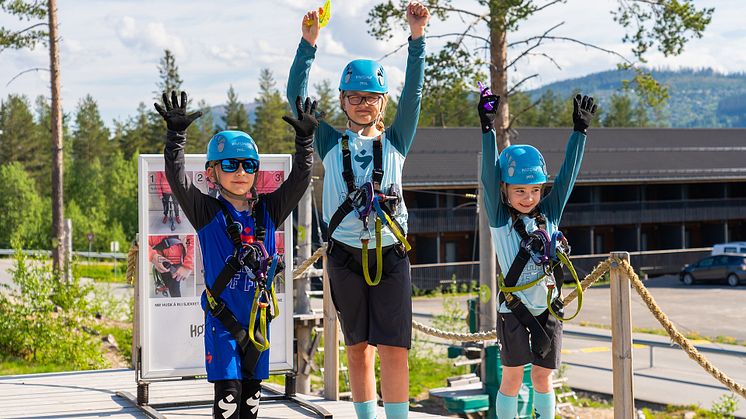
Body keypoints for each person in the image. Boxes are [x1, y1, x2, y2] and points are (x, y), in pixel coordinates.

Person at [287, 2, 429, 418]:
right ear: (343, 101)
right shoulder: (330, 142)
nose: (363, 104)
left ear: (383, 102)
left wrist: (417, 36)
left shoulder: (398, 140)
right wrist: (308, 45)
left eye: (371, 97)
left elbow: (416, 92)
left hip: (391, 254)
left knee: (395, 348)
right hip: (345, 257)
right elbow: (297, 100)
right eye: (355, 97)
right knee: (357, 348)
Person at [154, 90, 317, 419]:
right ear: (212, 172)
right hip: (223, 323)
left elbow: (300, 180)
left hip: (257, 322)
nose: (240, 172)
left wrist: (305, 142)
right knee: (228, 399)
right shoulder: (206, 212)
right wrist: (176, 137)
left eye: (248, 165)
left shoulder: (269, 212)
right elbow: (177, 178)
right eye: (230, 164)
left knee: (252, 401)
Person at [478, 91, 596, 419]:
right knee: (513, 377)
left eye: (534, 190)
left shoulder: (550, 212)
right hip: (513, 310)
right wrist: (488, 130)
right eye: (520, 191)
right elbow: (489, 177)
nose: (529, 198)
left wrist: (579, 133)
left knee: (543, 377)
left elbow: (568, 176)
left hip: (548, 308)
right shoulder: (500, 218)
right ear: (505, 190)